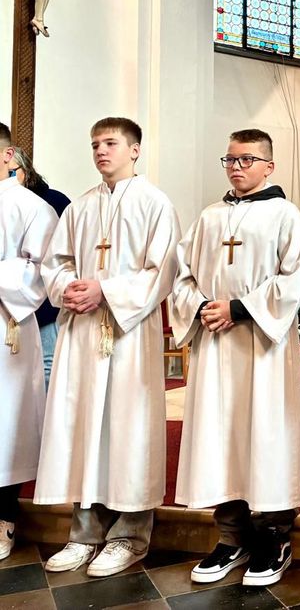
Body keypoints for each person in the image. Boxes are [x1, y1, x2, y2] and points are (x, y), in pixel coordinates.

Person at [35, 117, 180, 577]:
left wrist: (106, 291)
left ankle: (130, 535)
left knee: (127, 429)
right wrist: (66, 289)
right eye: (95, 143)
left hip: (128, 335)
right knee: (84, 428)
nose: (100, 151)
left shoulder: (156, 204)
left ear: (135, 150)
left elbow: (163, 271)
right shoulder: (79, 208)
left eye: (110, 143)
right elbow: (53, 264)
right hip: (82, 334)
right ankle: (85, 533)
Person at [173, 129, 300, 588]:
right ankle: (231, 536)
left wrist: (237, 308)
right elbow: (182, 275)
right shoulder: (209, 217)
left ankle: (275, 537)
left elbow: (299, 279)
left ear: (269, 166)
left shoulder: (286, 216)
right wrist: (200, 306)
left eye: (247, 159)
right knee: (220, 436)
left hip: (263, 347)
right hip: (216, 347)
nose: (236, 167)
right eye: (230, 159)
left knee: (266, 436)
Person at [0, 123, 57, 561]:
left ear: (8, 156)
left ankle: (4, 518)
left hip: (8, 327)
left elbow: (44, 272)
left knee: (7, 425)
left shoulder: (33, 207)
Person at [9, 147, 70, 388]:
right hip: (10, 293)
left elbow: (61, 253)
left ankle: (44, 422)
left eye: (12, 173)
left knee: (47, 363)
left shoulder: (53, 201)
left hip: (42, 296)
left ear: (25, 171)